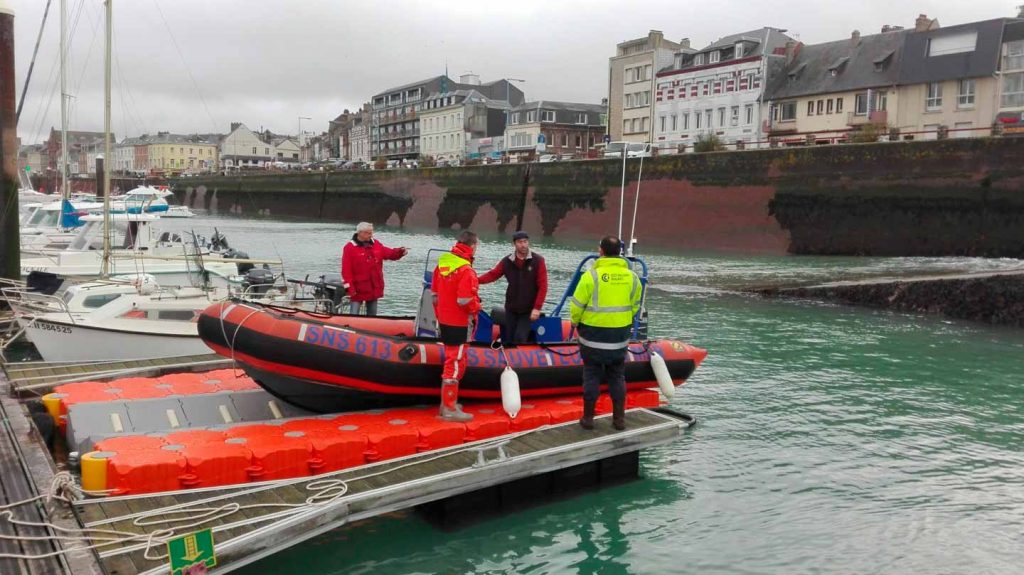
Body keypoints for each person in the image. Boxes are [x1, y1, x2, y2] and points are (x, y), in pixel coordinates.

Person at [569, 235, 642, 431]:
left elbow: (576, 306)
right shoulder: (632, 277)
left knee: (591, 374)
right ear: (620, 252)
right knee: (617, 376)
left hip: (592, 335)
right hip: (619, 336)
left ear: (600, 251)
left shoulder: (591, 275)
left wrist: (575, 323)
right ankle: (619, 420)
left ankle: (588, 419)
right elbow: (635, 305)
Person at [432, 230, 482, 422]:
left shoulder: (443, 264)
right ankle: (449, 408)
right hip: (460, 322)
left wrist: (441, 315)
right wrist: (478, 306)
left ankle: (447, 404)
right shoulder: (466, 270)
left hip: (445, 319)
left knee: (453, 359)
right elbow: (465, 300)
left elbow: (434, 295)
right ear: (473, 246)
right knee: (454, 363)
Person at [478, 230, 548, 344]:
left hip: (528, 310)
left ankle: (522, 359)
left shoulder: (538, 261)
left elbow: (543, 286)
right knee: (509, 339)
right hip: (511, 308)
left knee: (520, 338)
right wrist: (475, 281)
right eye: (520, 242)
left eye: (525, 241)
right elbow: (493, 275)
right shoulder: (507, 261)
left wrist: (537, 308)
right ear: (514, 244)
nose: (523, 245)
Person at [341, 222, 408, 316]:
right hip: (357, 289)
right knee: (354, 315)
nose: (371, 235)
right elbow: (346, 271)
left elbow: (389, 253)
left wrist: (400, 252)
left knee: (372, 316)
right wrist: (350, 289)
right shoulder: (349, 248)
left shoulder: (376, 244)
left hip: (373, 288)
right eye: (368, 233)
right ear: (360, 233)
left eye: (371, 232)